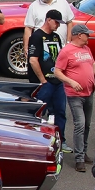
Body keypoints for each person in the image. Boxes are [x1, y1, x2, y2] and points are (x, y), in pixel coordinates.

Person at [55, 24, 95, 172]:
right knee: (80, 124)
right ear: (78, 35)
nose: (89, 36)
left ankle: (83, 152)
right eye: (86, 34)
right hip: (74, 94)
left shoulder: (87, 50)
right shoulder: (66, 51)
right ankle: (79, 159)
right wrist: (71, 81)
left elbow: (94, 67)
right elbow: (57, 71)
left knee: (87, 124)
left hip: (89, 92)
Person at [28, 10, 67, 141]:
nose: (58, 25)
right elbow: (33, 60)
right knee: (39, 112)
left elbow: (60, 57)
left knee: (60, 112)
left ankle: (60, 139)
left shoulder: (55, 37)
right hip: (45, 83)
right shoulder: (37, 36)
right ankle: (36, 139)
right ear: (48, 20)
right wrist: (43, 80)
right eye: (56, 22)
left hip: (58, 81)